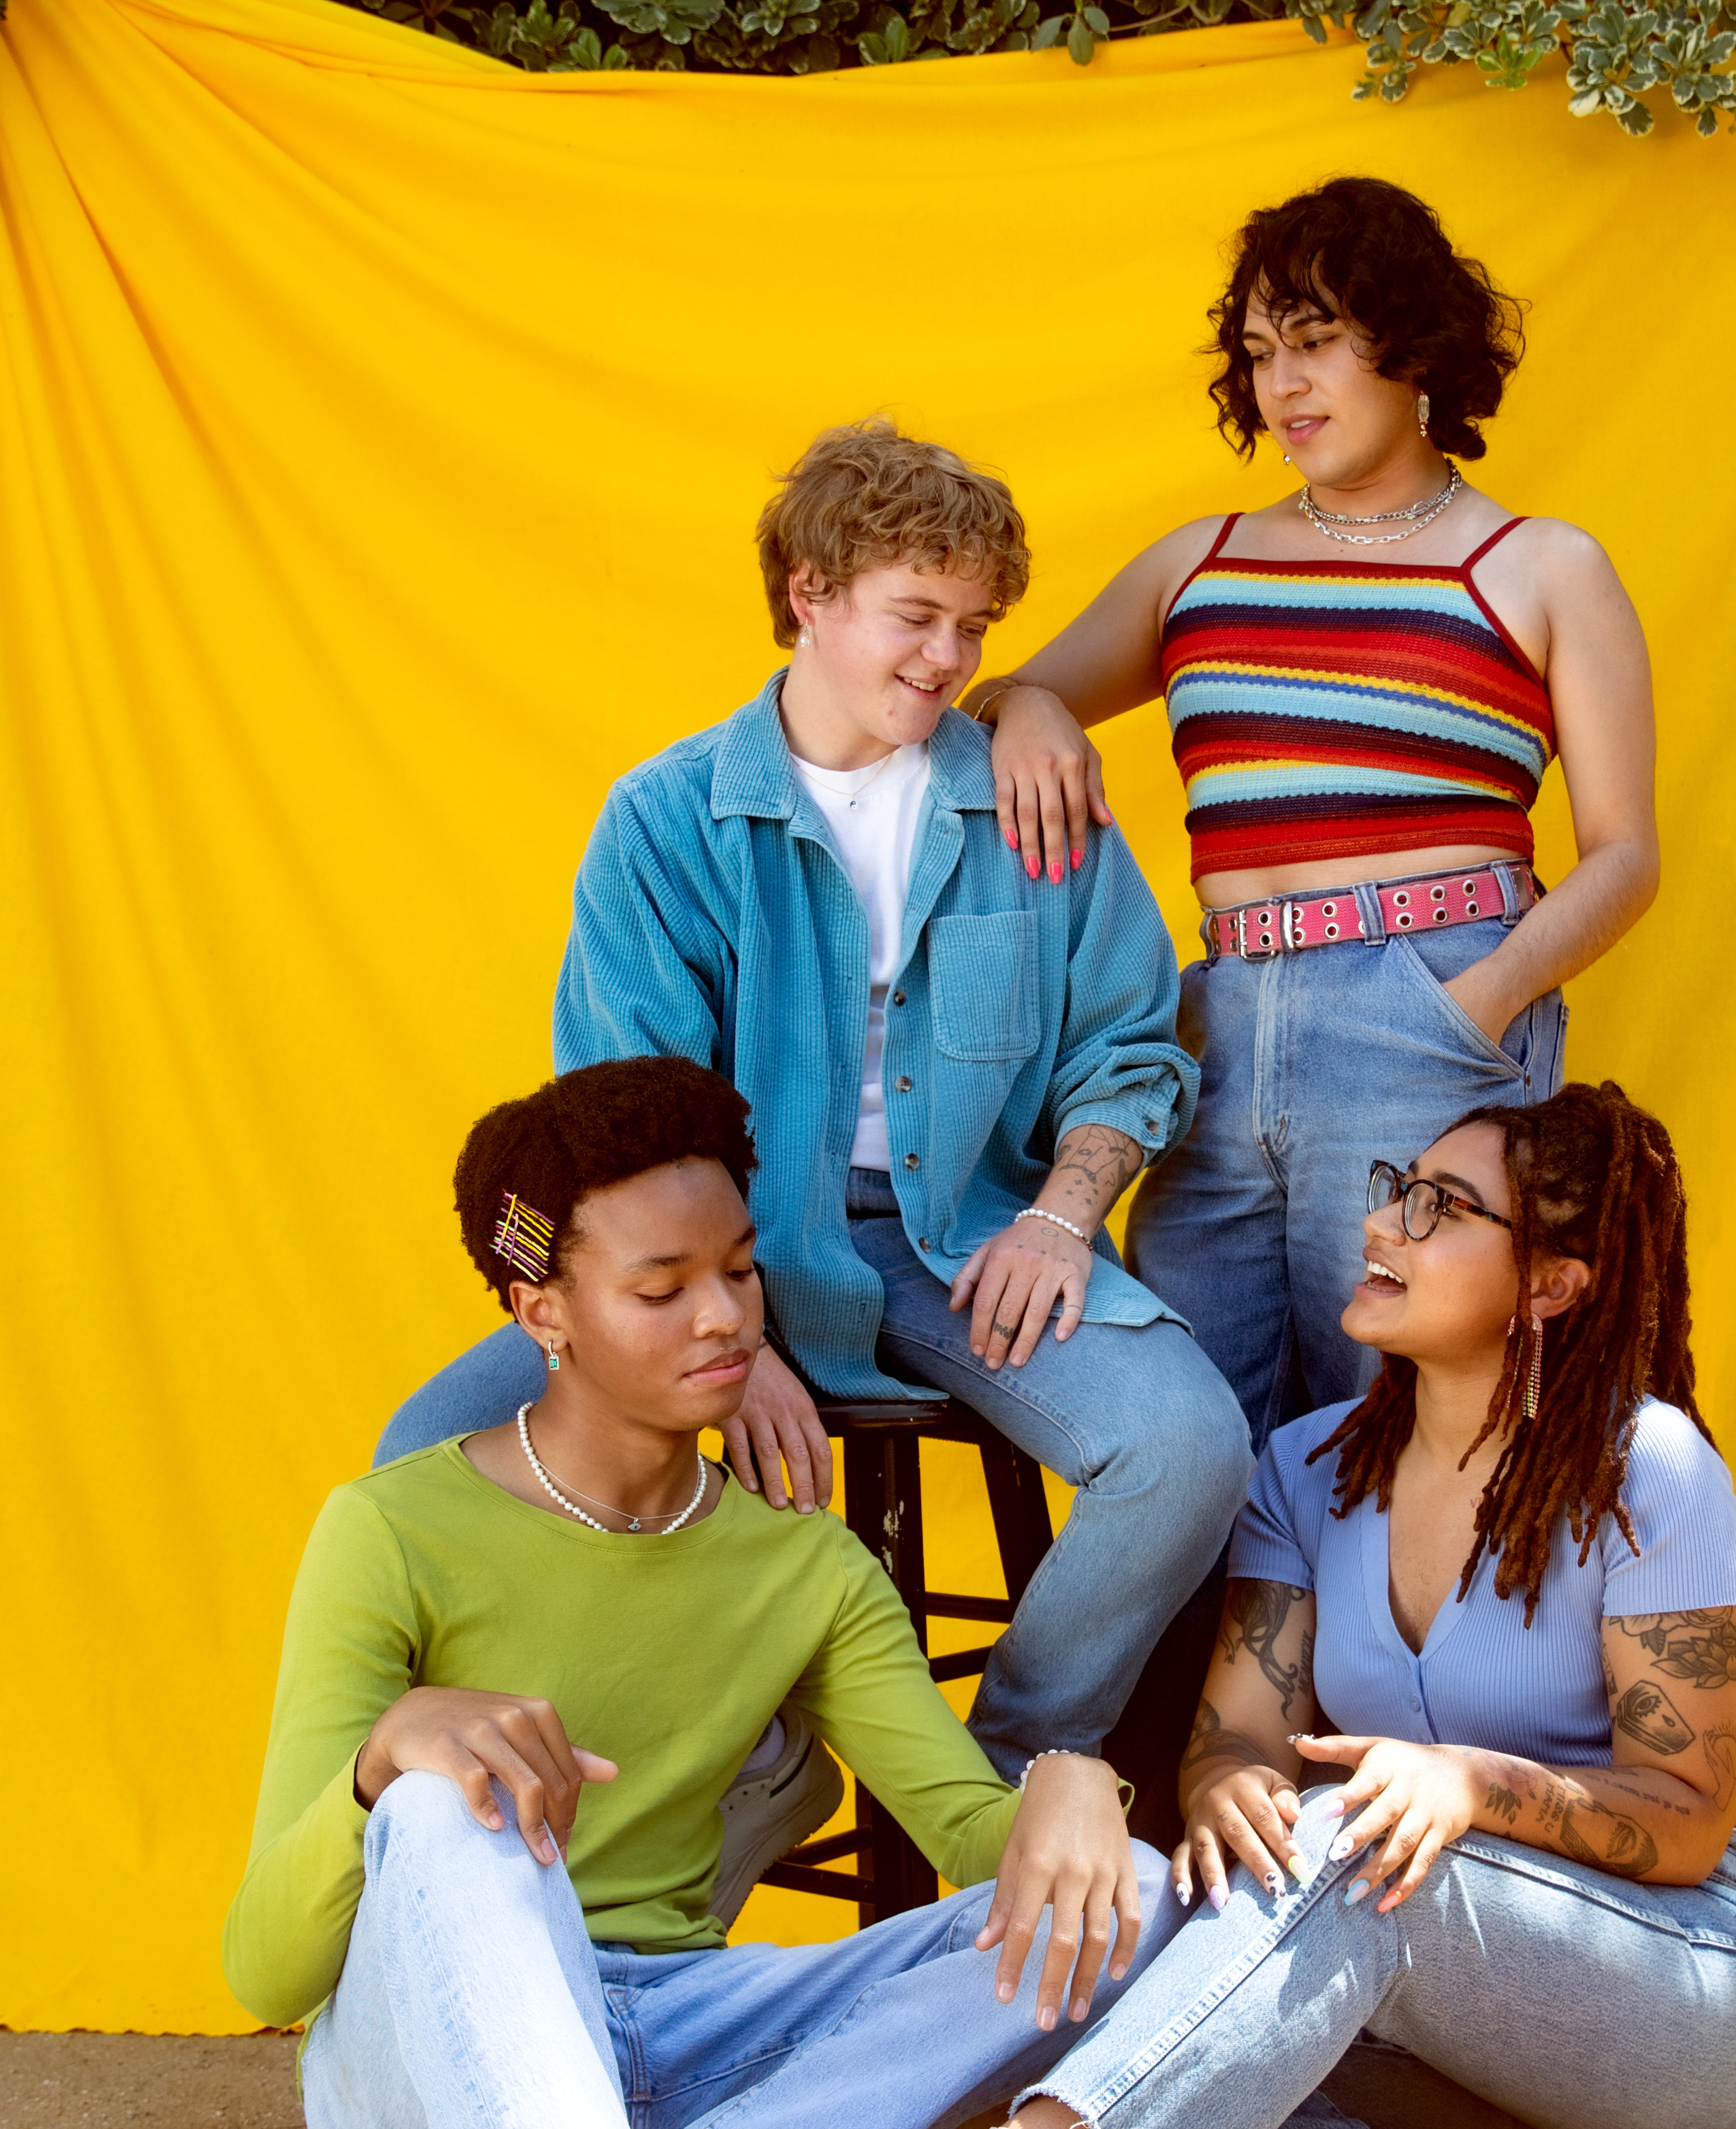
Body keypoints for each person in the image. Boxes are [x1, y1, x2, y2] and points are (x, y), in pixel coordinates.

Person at [372, 421, 1255, 1838]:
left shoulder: (1035, 805)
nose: (946, 659)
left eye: (974, 629)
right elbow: (624, 1116)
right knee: (421, 1454)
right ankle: (710, 1764)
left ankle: (988, 1785)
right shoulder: (667, 819)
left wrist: (1059, 1213)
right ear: (809, 595)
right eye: (915, 616)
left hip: (966, 1243)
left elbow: (1133, 1048)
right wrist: (744, 1327)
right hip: (725, 1253)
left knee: (1192, 1445)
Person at [226, 1057, 1185, 2128]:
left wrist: (1075, 1784)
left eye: (740, 1272)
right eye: (661, 1289)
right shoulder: (390, 1532)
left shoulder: (804, 1568)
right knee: (444, 1811)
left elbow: (969, 1838)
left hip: (685, 2032)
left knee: (1133, 1898)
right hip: (429, 2037)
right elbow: (267, 1974)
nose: (724, 1319)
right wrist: (384, 1756)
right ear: (543, 1313)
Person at [960, 177, 1661, 1450]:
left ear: (1413, 347)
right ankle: (1213, 1666)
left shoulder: (1542, 566)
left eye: (1320, 340)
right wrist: (1036, 708)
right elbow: (1000, 699)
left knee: (1408, 1423)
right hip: (1216, 1030)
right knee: (1194, 1440)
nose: (1285, 384)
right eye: (1262, 352)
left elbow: (1624, 858)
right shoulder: (1199, 564)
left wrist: (1475, 1006)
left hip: (1427, 1005)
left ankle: (1423, 1660)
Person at [1002, 1083, 1736, 2129]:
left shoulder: (1650, 1470)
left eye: (1443, 1205)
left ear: (1551, 1286)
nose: (1381, 1222)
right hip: (1433, 1990)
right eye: (1400, 1189)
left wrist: (1470, 1785)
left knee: (1352, 1844)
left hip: (1684, 1976)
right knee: (1203, 1919)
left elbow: (1690, 1819)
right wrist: (1230, 1796)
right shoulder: (1309, 1468)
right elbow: (1242, 1735)